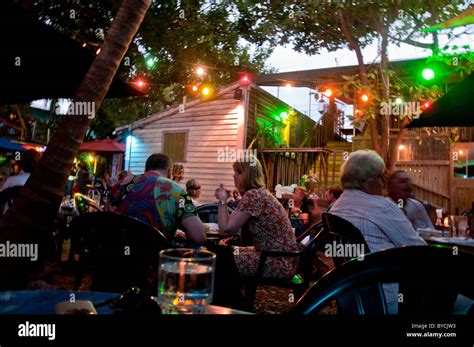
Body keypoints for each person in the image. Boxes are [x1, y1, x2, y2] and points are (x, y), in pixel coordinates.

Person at [329, 150, 426, 314]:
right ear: (363, 181)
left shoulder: (336, 207)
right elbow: (418, 250)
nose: (383, 182)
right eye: (380, 176)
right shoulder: (381, 206)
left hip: (351, 296)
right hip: (387, 298)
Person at [215, 155, 298, 280]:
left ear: (247, 174)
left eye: (238, 172)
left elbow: (226, 230)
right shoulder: (259, 193)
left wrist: (222, 200)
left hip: (277, 262)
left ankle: (230, 298)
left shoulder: (254, 195)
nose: (234, 176)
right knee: (226, 251)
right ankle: (235, 295)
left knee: (221, 258)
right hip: (282, 258)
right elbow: (229, 225)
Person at [115, 153, 206, 245]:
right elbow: (198, 237)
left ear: (145, 170)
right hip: (155, 256)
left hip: (116, 252)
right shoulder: (176, 191)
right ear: (170, 173)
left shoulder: (121, 184)